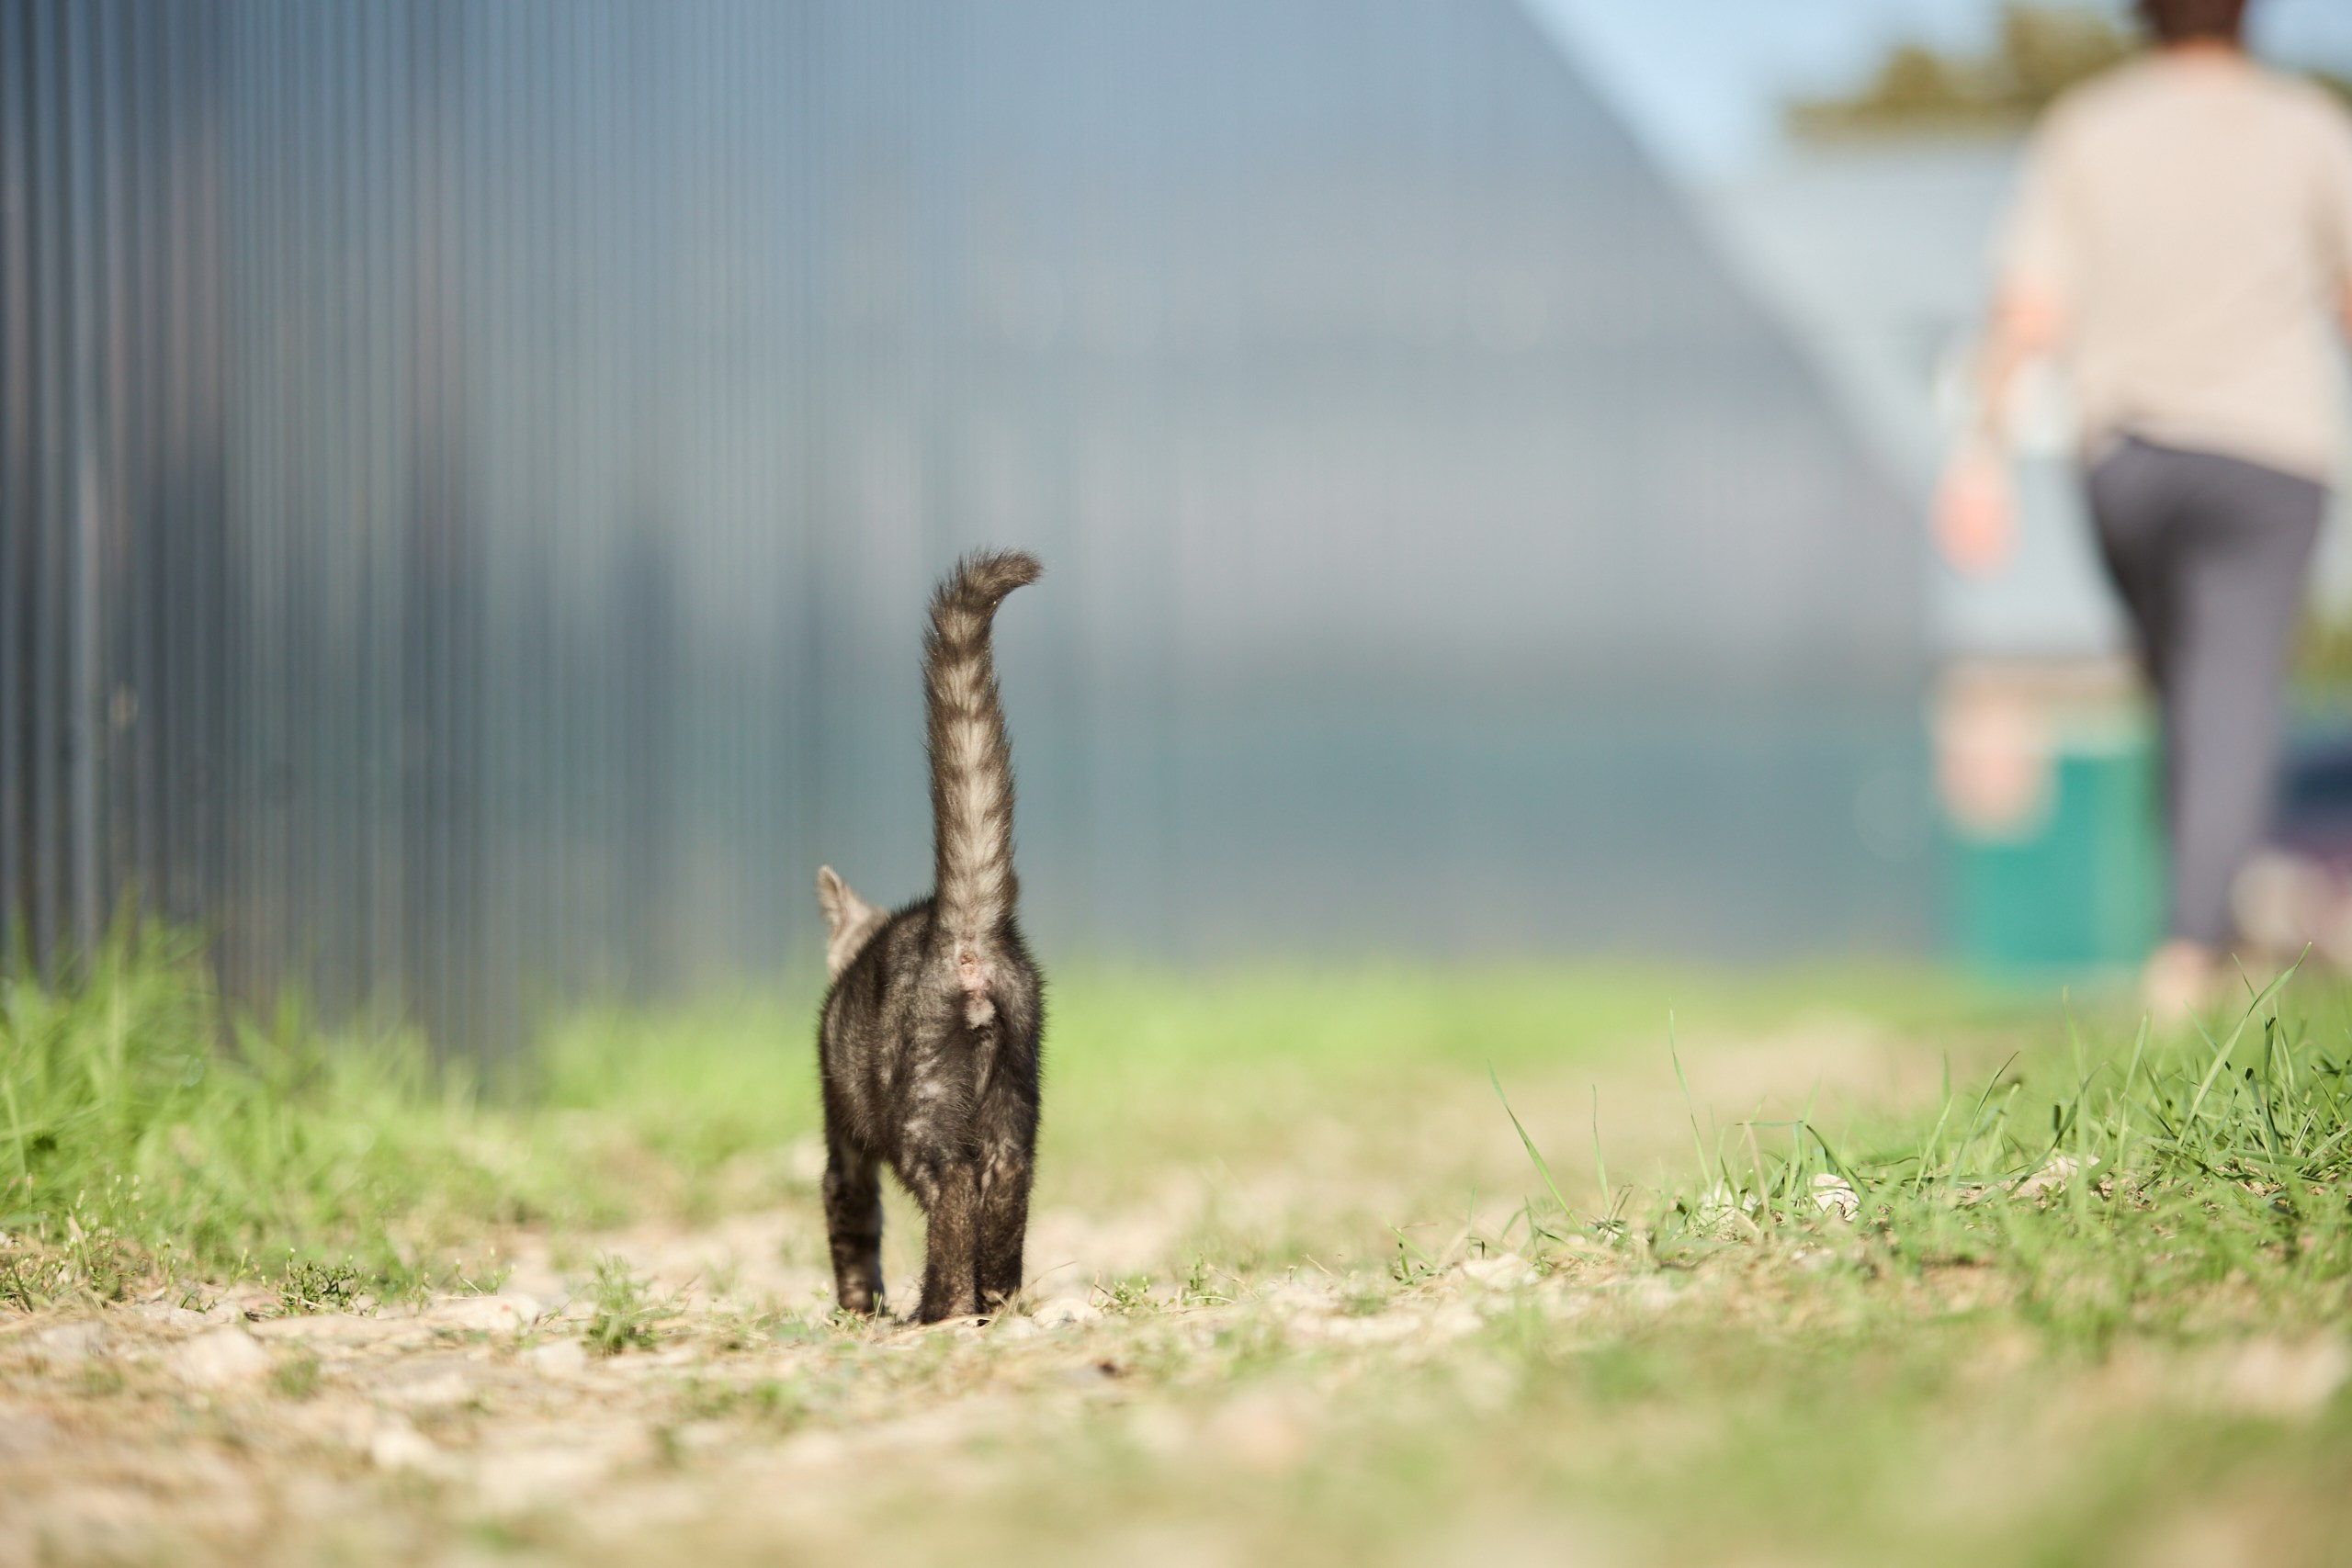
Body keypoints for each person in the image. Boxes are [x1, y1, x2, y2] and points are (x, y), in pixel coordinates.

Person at [1938, 0, 2352, 1016]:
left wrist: (1979, 458)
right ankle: (2194, 944)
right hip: (2268, 451)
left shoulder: (2089, 125)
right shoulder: (2305, 125)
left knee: (2184, 688)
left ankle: (2203, 928)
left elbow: (2026, 310)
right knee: (2230, 692)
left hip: (2125, 459)